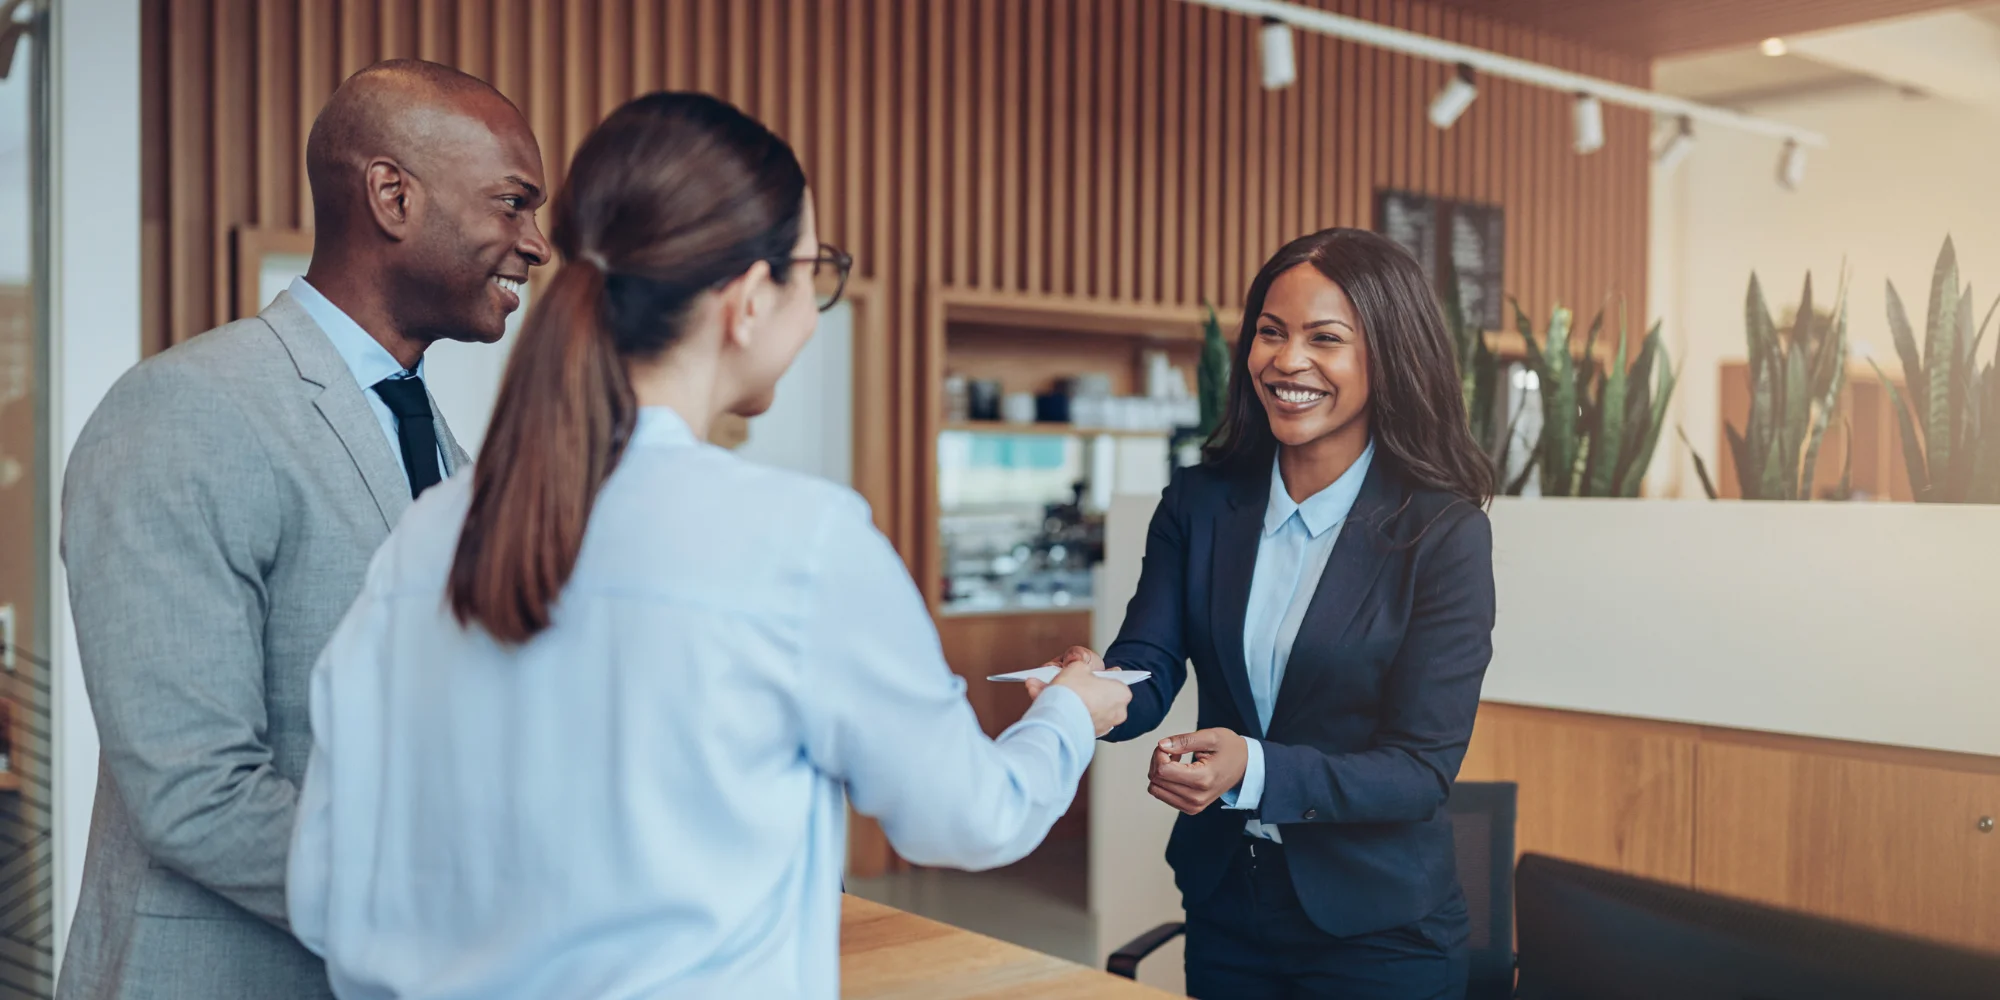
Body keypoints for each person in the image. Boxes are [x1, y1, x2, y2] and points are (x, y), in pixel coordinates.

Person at [285, 91, 1133, 1000]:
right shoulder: (799, 543)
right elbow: (970, 817)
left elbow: (329, 891)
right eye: (814, 270)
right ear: (747, 300)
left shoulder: (427, 536)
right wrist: (1071, 715)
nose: (813, 306)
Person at [58, 60, 550, 1000]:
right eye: (513, 202)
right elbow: (192, 790)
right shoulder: (183, 411)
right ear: (392, 195)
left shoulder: (439, 441)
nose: (537, 242)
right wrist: (455, 903)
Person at [1049, 228, 1496, 999]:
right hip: (1229, 906)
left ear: (1388, 356)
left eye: (1326, 338)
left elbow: (1421, 769)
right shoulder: (1199, 502)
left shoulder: (1442, 532)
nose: (1287, 361)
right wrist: (1094, 696)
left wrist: (1252, 769)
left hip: (1381, 931)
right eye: (1270, 332)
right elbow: (1148, 660)